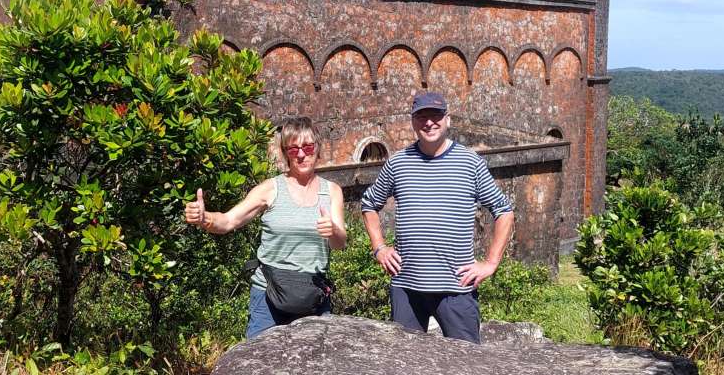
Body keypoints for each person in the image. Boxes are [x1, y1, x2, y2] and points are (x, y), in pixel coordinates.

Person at [360, 91, 514, 343]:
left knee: (465, 362)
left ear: (448, 120)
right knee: (404, 363)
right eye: (422, 116)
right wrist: (379, 248)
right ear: (412, 121)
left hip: (456, 287)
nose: (429, 122)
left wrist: (491, 263)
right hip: (407, 286)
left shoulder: (470, 163)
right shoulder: (398, 163)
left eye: (436, 115)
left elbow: (503, 210)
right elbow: (369, 203)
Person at [184, 116, 347, 338]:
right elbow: (229, 221)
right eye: (293, 149)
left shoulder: (332, 191)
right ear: (285, 153)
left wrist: (333, 231)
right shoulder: (270, 189)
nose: (301, 154)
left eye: (308, 147)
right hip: (269, 295)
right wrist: (205, 219)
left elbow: (339, 244)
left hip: (313, 296)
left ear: (317, 148)